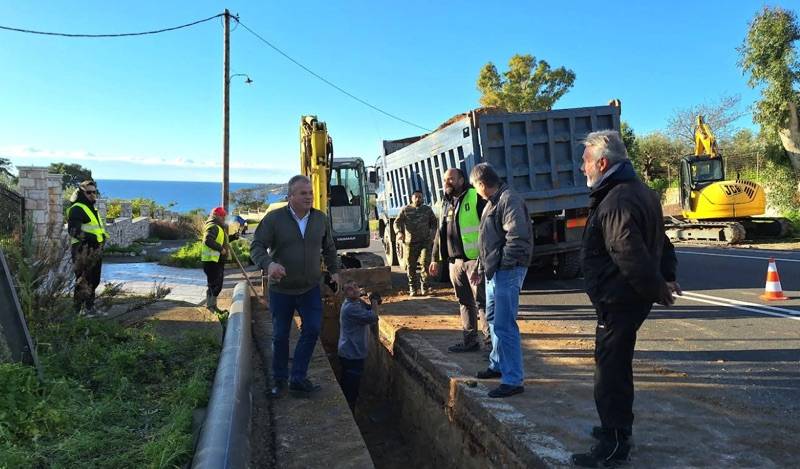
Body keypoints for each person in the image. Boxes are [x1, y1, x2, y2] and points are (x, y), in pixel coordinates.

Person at [571, 130, 680, 467]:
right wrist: (668, 274)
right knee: (613, 367)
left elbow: (629, 253)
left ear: (603, 163)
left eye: (586, 161)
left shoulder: (617, 199)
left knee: (611, 372)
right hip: (624, 299)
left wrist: (659, 288)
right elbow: (663, 242)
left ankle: (616, 444)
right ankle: (612, 429)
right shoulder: (639, 191)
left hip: (619, 301)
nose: (582, 168)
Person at [250, 175, 340, 398]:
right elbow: (256, 247)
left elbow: (329, 248)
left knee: (311, 330)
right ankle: (279, 380)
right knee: (280, 336)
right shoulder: (274, 219)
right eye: (303, 193)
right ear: (290, 197)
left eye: (309, 193)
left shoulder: (320, 219)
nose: (309, 196)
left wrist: (335, 271)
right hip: (281, 290)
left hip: (310, 287)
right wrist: (269, 264)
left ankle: (298, 378)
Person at [468, 163, 533, 398]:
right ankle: (497, 364)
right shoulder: (491, 203)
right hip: (495, 272)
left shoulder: (509, 200)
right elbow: (486, 242)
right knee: (494, 318)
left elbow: (516, 238)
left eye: (475, 186)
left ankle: (513, 379)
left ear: (482, 184)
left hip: (507, 271)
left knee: (505, 325)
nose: (475, 190)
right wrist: (480, 267)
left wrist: (502, 266)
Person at [429, 168, 490, 353]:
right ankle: (470, 341)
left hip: (474, 261)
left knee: (483, 303)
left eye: (451, 179)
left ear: (462, 180)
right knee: (464, 302)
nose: (447, 182)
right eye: (445, 179)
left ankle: (490, 345)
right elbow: (440, 233)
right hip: (455, 263)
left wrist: (484, 258)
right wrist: (434, 258)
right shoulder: (445, 203)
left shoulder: (475, 196)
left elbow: (488, 228)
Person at [338, 280, 381, 411]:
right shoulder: (350, 308)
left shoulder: (356, 302)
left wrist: (373, 301)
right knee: (351, 387)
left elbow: (369, 309)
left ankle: (350, 407)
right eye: (350, 289)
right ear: (345, 294)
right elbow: (373, 317)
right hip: (351, 354)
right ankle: (349, 412)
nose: (355, 289)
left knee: (351, 383)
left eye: (356, 286)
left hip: (352, 351)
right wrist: (373, 301)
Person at [67, 180, 108, 316]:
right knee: (83, 280)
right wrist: (95, 239)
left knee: (94, 280)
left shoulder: (91, 208)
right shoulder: (77, 208)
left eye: (94, 192)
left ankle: (89, 308)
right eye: (88, 192)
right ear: (82, 193)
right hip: (82, 251)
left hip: (95, 250)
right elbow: (74, 230)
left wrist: (102, 239)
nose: (92, 195)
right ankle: (77, 311)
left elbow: (96, 228)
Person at [394, 189, 437, 296]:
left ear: (422, 198)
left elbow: (434, 223)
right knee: (410, 266)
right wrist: (398, 232)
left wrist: (432, 235)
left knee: (425, 263)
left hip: (424, 242)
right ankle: (412, 287)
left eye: (420, 197)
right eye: (416, 197)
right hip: (410, 243)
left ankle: (425, 287)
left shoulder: (427, 210)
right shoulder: (406, 210)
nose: (418, 199)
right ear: (411, 198)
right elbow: (396, 223)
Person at [201, 206, 230, 312]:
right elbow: (207, 240)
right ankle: (210, 307)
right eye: (222, 216)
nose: (224, 218)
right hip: (212, 261)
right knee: (214, 285)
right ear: (217, 216)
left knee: (216, 285)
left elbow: (220, 240)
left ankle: (213, 307)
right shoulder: (213, 226)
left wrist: (233, 237)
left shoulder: (218, 227)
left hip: (216, 260)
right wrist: (220, 249)